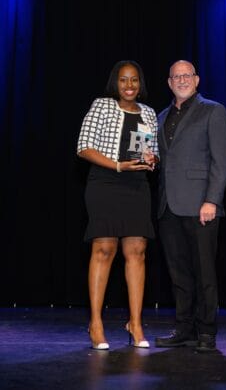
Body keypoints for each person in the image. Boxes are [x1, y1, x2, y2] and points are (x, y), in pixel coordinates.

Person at [77, 60, 158, 350]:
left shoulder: (149, 113)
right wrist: (117, 166)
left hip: (137, 186)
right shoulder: (102, 105)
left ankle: (135, 323)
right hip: (105, 182)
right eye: (123, 80)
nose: (129, 86)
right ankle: (95, 324)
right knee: (104, 249)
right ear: (116, 82)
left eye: (134, 80)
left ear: (140, 83)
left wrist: (151, 159)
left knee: (137, 251)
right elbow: (83, 146)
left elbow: (153, 151)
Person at [155, 60, 226, 352]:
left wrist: (212, 199)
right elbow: (166, 161)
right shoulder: (161, 116)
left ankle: (207, 332)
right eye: (176, 76)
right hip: (168, 207)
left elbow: (221, 161)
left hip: (201, 205)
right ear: (169, 82)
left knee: (204, 273)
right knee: (179, 274)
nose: (182, 80)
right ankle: (184, 328)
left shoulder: (213, 110)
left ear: (197, 80)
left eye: (187, 75)